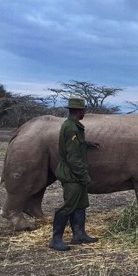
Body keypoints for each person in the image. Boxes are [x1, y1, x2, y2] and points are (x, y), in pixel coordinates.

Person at [49, 97, 100, 251]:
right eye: (83, 110)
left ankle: (79, 234)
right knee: (69, 206)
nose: (85, 112)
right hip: (72, 175)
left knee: (81, 205)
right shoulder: (71, 128)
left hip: (75, 175)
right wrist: (84, 176)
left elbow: (75, 145)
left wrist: (87, 144)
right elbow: (73, 157)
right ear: (79, 111)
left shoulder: (74, 127)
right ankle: (56, 239)